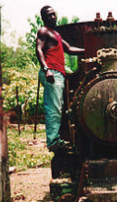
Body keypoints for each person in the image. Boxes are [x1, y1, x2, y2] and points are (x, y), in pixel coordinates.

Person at [36, 6, 84, 151]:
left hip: (58, 73)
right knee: (53, 108)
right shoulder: (43, 31)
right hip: (52, 73)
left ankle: (55, 139)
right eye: (49, 15)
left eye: (54, 14)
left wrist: (88, 49)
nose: (53, 17)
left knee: (58, 107)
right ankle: (53, 142)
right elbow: (38, 49)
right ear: (44, 18)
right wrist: (46, 70)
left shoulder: (55, 34)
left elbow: (69, 49)